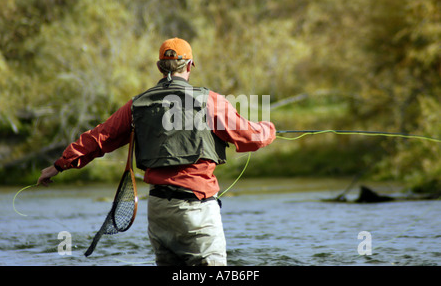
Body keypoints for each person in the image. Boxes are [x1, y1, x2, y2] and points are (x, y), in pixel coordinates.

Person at [37, 37, 276, 266]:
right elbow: (250, 138)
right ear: (190, 65)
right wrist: (269, 129)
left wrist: (58, 166)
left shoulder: (137, 104)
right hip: (197, 211)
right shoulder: (209, 101)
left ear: (160, 67)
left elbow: (98, 138)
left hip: (159, 211)